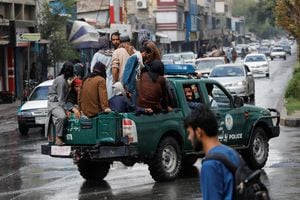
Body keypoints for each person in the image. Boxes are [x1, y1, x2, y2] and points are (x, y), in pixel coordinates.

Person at [184, 105, 241, 200]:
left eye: (190, 133)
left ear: (198, 132)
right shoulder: (232, 153)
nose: (189, 138)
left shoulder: (210, 164)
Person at [46, 61, 74, 145]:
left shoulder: (65, 79)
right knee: (62, 116)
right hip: (54, 103)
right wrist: (66, 110)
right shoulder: (61, 81)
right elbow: (61, 99)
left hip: (60, 102)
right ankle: (58, 138)